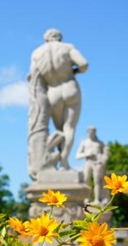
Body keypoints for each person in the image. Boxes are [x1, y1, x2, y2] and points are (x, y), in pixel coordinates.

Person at [27, 28, 88, 179]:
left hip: (52, 92)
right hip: (69, 87)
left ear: (46, 38)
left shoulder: (37, 53)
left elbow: (33, 76)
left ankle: (54, 158)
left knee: (59, 129)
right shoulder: (68, 48)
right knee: (69, 128)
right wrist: (74, 72)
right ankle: (65, 163)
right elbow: (84, 64)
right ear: (59, 37)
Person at [75, 126, 109, 204]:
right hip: (88, 162)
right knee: (86, 180)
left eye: (93, 131)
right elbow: (77, 156)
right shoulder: (84, 142)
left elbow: (105, 154)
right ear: (87, 132)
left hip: (97, 163)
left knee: (97, 181)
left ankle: (97, 199)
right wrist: (87, 154)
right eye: (90, 131)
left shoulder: (100, 143)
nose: (91, 133)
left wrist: (103, 160)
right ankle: (86, 199)